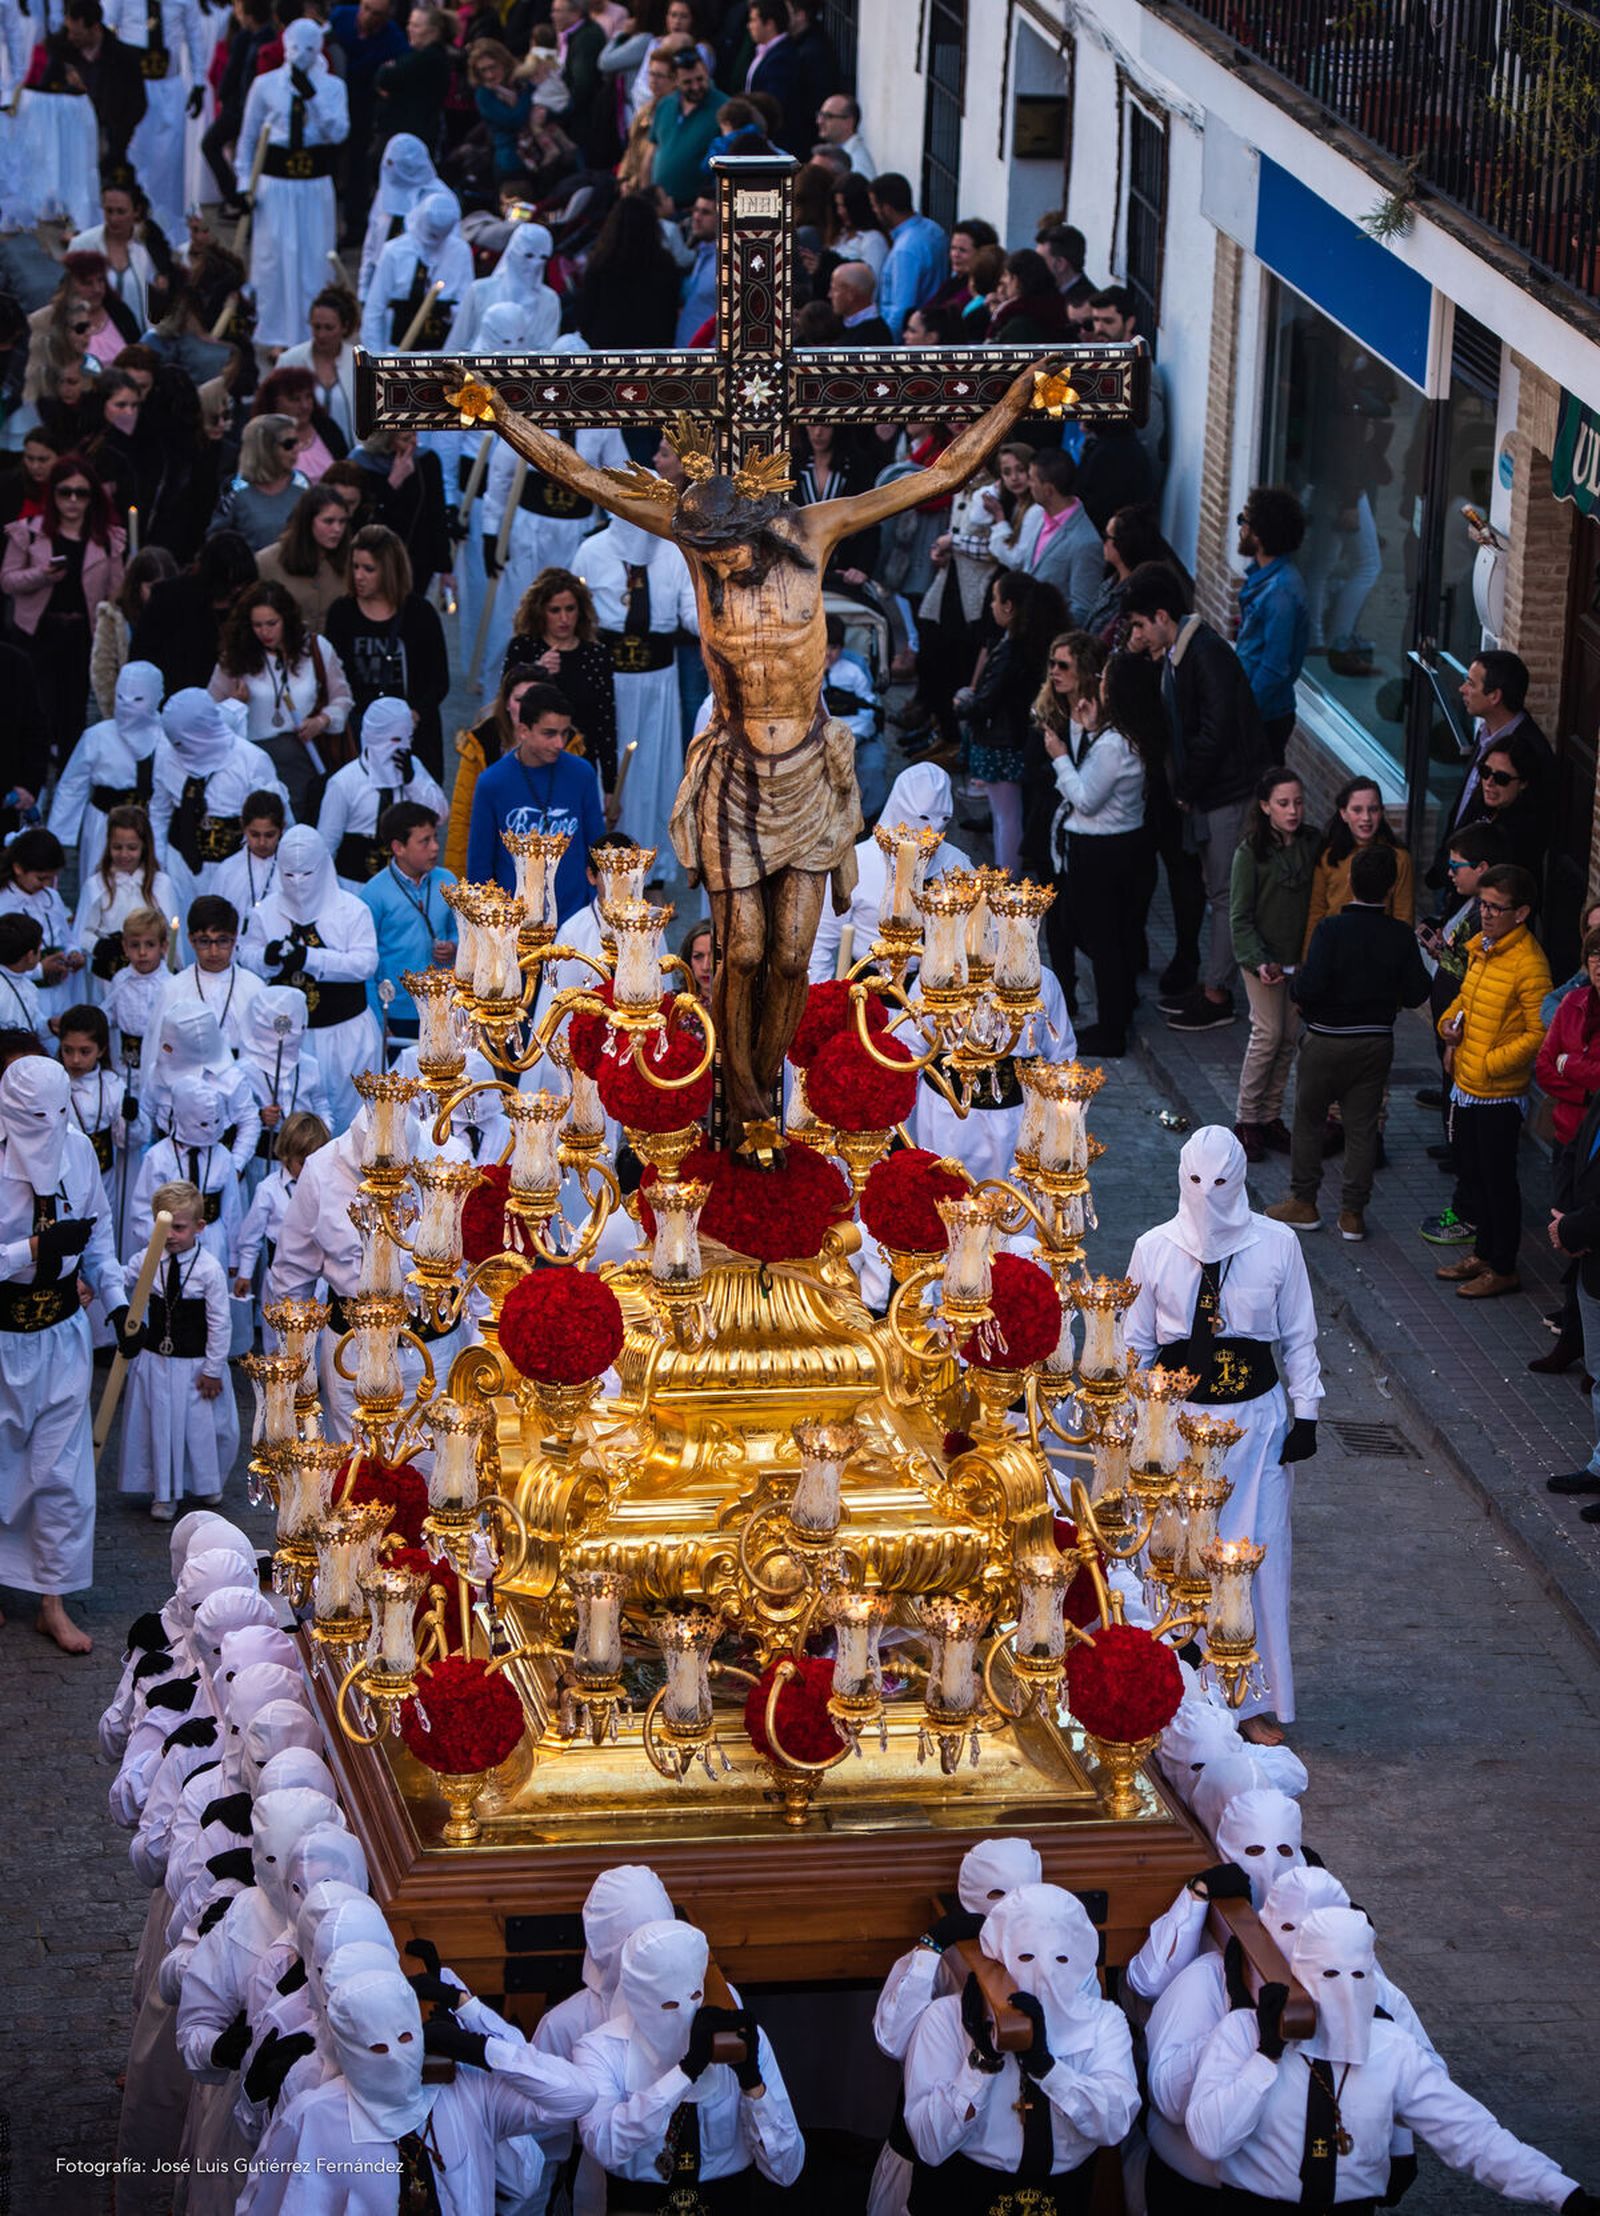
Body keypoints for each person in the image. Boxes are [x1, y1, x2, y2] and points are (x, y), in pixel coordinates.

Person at [1186, 1904, 1591, 2212]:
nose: (1346, 1990)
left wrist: (1561, 2193)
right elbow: (1211, 2139)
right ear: (1299, 1974)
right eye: (1329, 1975)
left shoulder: (1393, 2048)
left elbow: (1469, 2133)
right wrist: (1265, 2057)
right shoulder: (1242, 2033)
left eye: (1358, 1976)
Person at [1126, 1126, 1322, 1744]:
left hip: (1256, 1429)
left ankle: (1250, 1697)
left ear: (1239, 1181)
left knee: (1257, 1556)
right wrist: (1135, 1423)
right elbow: (1134, 1340)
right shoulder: (1154, 1247)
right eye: (1195, 1182)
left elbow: (1298, 1332)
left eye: (1219, 1183)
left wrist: (1307, 1411)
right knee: (1174, 1554)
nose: (1207, 1196)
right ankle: (1177, 1689)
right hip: (1176, 1427)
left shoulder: (1278, 1244)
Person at [902, 1883, 1138, 2210]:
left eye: (1061, 1958)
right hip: (964, 2192)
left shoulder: (1104, 2023)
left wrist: (1049, 2069)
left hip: (1063, 2196)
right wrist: (981, 2063)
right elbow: (929, 2144)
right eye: (1026, 1956)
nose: (1043, 1973)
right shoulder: (945, 2019)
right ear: (998, 1957)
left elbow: (1114, 2124)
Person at [0, 1055, 124, 1651]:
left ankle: (52, 1600)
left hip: (61, 1331)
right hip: (2, 1333)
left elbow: (98, 1239)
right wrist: (30, 1247)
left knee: (64, 1475)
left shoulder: (76, 1152)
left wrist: (119, 1302)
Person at [1121, 561, 1269, 1031]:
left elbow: (1216, 731)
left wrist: (1186, 787)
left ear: (1163, 616)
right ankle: (1212, 981)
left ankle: (1217, 994)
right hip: (1212, 792)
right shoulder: (1180, 655)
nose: (1138, 635)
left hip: (1225, 793)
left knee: (1226, 894)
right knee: (1218, 891)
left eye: (1141, 625)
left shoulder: (1204, 655)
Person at [1265, 844, 1433, 1242]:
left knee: (1308, 1120)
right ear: (1392, 888)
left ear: (1351, 882)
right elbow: (1415, 994)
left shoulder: (1331, 930)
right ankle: (1353, 1214)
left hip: (1326, 1039)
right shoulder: (1398, 936)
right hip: (1376, 1043)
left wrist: (1305, 998)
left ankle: (1304, 1202)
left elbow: (1308, 985)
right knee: (1362, 1127)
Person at [572, 1917, 803, 2201]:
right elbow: (605, 2146)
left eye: (694, 1995)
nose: (683, 2013)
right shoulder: (600, 2050)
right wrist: (684, 2073)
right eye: (668, 2005)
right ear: (637, 2000)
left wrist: (753, 2085)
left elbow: (786, 2170)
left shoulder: (740, 2040)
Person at [1433, 862, 1550, 1300]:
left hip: (1497, 1092)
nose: (1485, 914)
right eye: (1483, 904)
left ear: (1520, 913)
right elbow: (1466, 998)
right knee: (1475, 1173)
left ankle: (1503, 1266)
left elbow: (1539, 1034)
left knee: (1499, 1180)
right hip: (1468, 1083)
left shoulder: (1530, 963)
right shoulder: (1484, 946)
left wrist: (1488, 1063)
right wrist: (1449, 1028)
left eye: (1496, 908)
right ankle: (1483, 1253)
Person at [1043, 648, 1152, 1058]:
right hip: (1118, 844)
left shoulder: (1115, 745)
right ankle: (1118, 1007)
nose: (1099, 685)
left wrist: (1059, 758)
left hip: (1100, 850)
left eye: (1105, 680)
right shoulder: (1124, 737)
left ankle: (1111, 1026)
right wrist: (1086, 731)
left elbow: (1085, 798)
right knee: (1108, 935)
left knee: (1101, 938)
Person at [239, 824, 382, 1128]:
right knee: (296, 1128)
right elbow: (246, 953)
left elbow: (365, 963)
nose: (299, 884)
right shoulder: (266, 912)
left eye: (307, 875)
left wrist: (310, 958)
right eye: (290, 875)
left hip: (346, 1036)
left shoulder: (352, 910)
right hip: (290, 1041)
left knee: (352, 1123)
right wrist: (267, 958)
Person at [117, 1178, 237, 1521]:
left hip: (195, 1364)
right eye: (164, 1226)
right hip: (156, 1361)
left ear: (199, 1227)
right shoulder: (148, 1258)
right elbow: (122, 1278)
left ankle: (206, 1482)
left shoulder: (209, 1269)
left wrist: (214, 1368)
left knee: (201, 1430)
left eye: (179, 1228)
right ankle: (163, 1492)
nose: (170, 1235)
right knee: (159, 1427)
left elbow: (219, 1322)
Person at [583, 514, 698, 847]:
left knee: (653, 769)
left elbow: (689, 609)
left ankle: (652, 862)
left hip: (657, 681)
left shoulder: (675, 554)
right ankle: (602, 854)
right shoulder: (592, 551)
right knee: (607, 761)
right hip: (608, 679)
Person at [1, 454, 127, 758]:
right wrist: (41, 576)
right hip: (37, 634)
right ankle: (36, 783)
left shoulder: (108, 539)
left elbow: (116, 594)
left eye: (81, 493)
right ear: (53, 493)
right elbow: (7, 580)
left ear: (91, 497)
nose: (72, 500)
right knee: (38, 712)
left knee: (74, 715)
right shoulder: (29, 531)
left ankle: (69, 782)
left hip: (83, 636)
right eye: (64, 492)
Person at [237, 18, 349, 351]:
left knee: (314, 259)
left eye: (309, 48)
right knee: (274, 260)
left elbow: (338, 132)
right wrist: (245, 185)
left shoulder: (332, 88)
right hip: (276, 183)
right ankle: (277, 335)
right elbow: (247, 138)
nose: (301, 55)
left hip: (314, 185)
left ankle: (314, 332)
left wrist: (312, 97)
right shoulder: (265, 85)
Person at [1229, 768, 1319, 1164]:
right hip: (1262, 959)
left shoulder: (1313, 844)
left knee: (1288, 1039)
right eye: (1283, 803)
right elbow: (1240, 917)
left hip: (1297, 961)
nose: (1293, 810)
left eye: (1298, 802)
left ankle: (1270, 1117)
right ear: (1265, 807)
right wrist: (1259, 959)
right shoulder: (1250, 853)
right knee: (1267, 1034)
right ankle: (1246, 1118)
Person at [209, 580, 352, 818]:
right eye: (257, 625)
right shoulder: (235, 658)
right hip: (253, 762)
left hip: (304, 758)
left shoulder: (315, 648)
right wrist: (235, 705)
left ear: (286, 619)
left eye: (272, 624)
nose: (265, 632)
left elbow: (343, 699)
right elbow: (212, 712)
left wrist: (321, 721)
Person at [467, 681, 606, 921]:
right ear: (523, 731)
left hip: (574, 919)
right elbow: (480, 866)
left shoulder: (582, 774)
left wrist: (593, 910)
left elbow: (598, 851)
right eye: (549, 733)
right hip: (513, 925)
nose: (560, 744)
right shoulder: (492, 782)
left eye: (564, 733)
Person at [958, 569, 1065, 879]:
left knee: (1006, 818)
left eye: (994, 599)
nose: (991, 605)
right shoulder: (1035, 645)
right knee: (1010, 815)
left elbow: (987, 700)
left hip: (1000, 743)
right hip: (1017, 741)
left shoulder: (1010, 651)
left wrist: (964, 704)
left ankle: (1006, 881)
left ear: (1008, 606)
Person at [323, 523, 450, 777]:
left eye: (369, 569)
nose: (359, 575)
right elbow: (333, 676)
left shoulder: (420, 614)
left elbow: (438, 680)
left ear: (389, 570)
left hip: (411, 736)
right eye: (356, 566)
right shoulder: (342, 612)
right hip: (359, 733)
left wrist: (415, 714)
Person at [1427, 648, 1550, 891]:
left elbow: (1526, 839)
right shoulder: (1485, 734)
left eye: (1471, 684)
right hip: (1458, 873)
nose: (1463, 689)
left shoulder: (1529, 751)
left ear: (1494, 696)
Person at [49, 658, 164, 887]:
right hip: (104, 824)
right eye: (121, 698)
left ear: (156, 697)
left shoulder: (168, 737)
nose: (128, 706)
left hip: (153, 822)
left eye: (138, 699)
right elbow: (73, 785)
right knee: (100, 885)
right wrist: (58, 837)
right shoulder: (97, 736)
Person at [503, 567, 620, 792]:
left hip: (581, 763)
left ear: (581, 610)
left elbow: (605, 723)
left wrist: (610, 786)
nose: (564, 618)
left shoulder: (596, 655)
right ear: (540, 612)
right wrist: (536, 671)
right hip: (531, 761)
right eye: (554, 610)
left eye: (570, 609)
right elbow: (506, 700)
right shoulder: (524, 647)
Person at [317, 697, 446, 889]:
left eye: (408, 739)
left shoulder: (412, 768)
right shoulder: (344, 783)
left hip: (405, 888)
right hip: (355, 888)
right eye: (394, 740)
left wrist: (413, 782)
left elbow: (440, 815)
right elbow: (326, 846)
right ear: (373, 737)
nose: (402, 748)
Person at [358, 801, 456, 1052]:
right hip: (397, 1012)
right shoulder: (373, 894)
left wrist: (454, 946)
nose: (435, 847)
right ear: (398, 848)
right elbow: (366, 964)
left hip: (444, 1006)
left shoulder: (448, 881)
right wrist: (379, 1020)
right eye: (424, 841)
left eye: (435, 838)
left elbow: (464, 934)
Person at [132, 1070, 247, 1272]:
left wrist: (234, 1257)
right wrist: (158, 1243)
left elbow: (232, 1209)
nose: (209, 1130)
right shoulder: (158, 1157)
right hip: (168, 1242)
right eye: (202, 1124)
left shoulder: (223, 1156)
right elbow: (142, 1208)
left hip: (213, 1241)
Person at [132, 532, 260, 697]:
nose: (237, 589)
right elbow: (143, 655)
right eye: (231, 584)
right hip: (175, 697)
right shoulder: (169, 599)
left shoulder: (248, 604)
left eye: (242, 584)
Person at [72, 804, 178, 1002]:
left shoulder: (161, 884)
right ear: (108, 845)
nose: (124, 854)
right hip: (108, 983)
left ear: (144, 847)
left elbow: (172, 936)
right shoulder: (96, 885)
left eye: (132, 848)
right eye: (117, 847)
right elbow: (81, 933)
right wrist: (99, 946)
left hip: (151, 984)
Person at [1301, 776, 1414, 952]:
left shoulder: (1399, 858)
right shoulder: (1329, 857)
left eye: (1373, 809)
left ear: (1382, 812)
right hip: (1333, 949)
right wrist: (1308, 959)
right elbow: (1317, 912)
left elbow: (1404, 917)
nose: (1366, 818)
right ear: (1343, 813)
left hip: (1377, 951)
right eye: (1357, 810)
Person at [1234, 488, 1309, 751]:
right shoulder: (1265, 577)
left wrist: (1242, 715)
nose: (1240, 528)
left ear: (1259, 535)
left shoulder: (1280, 593)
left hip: (1263, 718)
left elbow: (1275, 668)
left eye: (1244, 522)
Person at [234, 1111, 329, 1316]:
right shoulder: (268, 1189)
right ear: (286, 1155)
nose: (310, 1170)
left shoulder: (328, 1187)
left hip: (321, 1280)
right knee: (279, 1337)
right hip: (280, 1277)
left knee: (317, 1339)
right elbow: (251, 1238)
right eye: (303, 1163)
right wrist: (245, 1273)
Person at [360, 188, 474, 352]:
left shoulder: (460, 252)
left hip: (442, 351)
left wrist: (448, 312)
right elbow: (375, 309)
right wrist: (377, 358)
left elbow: (465, 308)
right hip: (398, 348)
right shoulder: (394, 251)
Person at [156, 895, 266, 1057]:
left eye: (222, 941)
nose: (214, 952)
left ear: (235, 938)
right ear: (191, 940)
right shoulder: (173, 989)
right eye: (204, 941)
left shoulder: (254, 988)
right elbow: (160, 1052)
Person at [0, 827, 85, 1028]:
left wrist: (73, 953)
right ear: (19, 868)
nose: (46, 884)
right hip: (25, 992)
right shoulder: (3, 903)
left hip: (61, 991)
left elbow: (68, 938)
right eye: (41, 878)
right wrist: (40, 969)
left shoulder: (51, 898)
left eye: (51, 878)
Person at [1451, 725, 1552, 884]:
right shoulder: (1479, 805)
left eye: (1501, 778)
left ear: (1523, 782)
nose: (1489, 783)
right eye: (1484, 772)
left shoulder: (1524, 833)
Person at [447, 218, 562, 354]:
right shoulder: (479, 291)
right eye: (529, 255)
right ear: (513, 252)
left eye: (543, 257)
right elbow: (456, 344)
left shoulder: (549, 300)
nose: (536, 263)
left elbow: (548, 354)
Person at [255, 486, 352, 635]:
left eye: (342, 522)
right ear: (307, 521)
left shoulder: (351, 562)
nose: (337, 529)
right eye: (329, 521)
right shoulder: (267, 562)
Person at [209, 417, 313, 555]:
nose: (297, 449)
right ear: (265, 448)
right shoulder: (235, 486)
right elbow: (216, 540)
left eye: (297, 442)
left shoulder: (302, 483)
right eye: (289, 444)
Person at [275, 288, 361, 447]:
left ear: (344, 327)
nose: (321, 335)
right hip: (301, 454)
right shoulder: (290, 361)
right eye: (316, 327)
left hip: (350, 458)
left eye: (329, 328)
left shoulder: (359, 363)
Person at [1024, 447, 1101, 624]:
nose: (1029, 485)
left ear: (1048, 490)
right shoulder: (1040, 517)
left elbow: (1082, 610)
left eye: (1032, 479)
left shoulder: (1086, 542)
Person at [868, 171, 946, 338]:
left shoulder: (905, 250)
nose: (873, 211)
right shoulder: (933, 229)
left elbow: (901, 309)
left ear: (886, 209)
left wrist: (885, 348)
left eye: (874, 206)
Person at [650, 46, 729, 211]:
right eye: (687, 82)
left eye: (700, 79)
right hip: (660, 208)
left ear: (707, 73)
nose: (695, 86)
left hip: (698, 211)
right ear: (675, 80)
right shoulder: (665, 105)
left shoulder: (725, 108)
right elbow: (651, 153)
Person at [212, 791, 286, 924]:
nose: (262, 842)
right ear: (243, 827)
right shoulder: (227, 871)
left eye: (269, 835)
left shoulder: (291, 870)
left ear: (282, 829)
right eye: (255, 835)